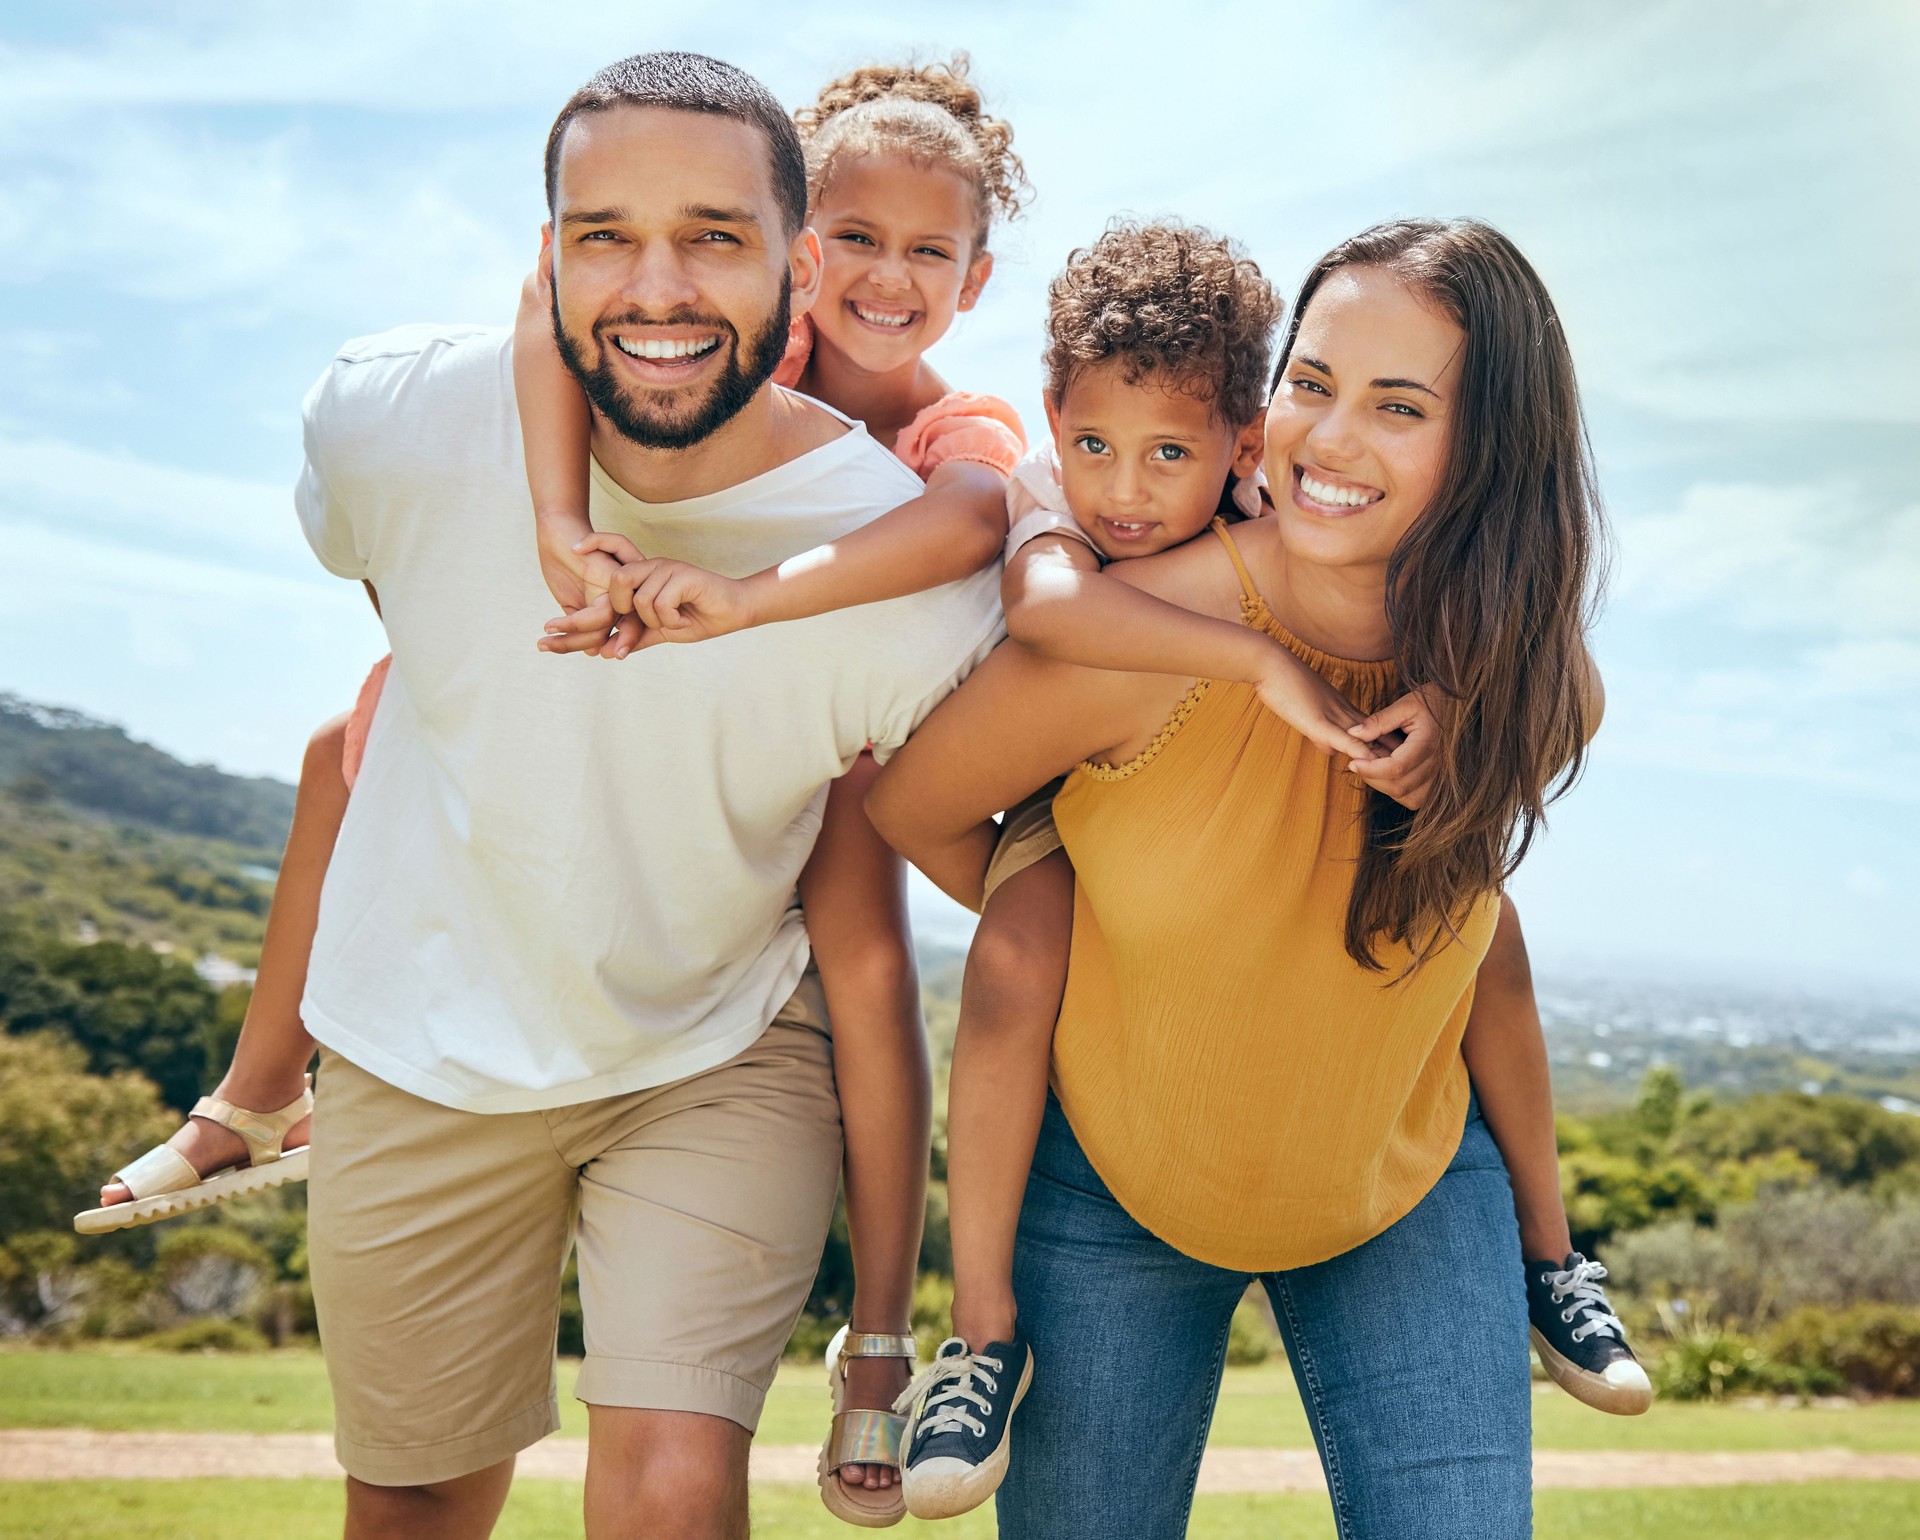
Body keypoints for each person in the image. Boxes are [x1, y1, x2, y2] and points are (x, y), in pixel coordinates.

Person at [126, 51, 1000, 1540]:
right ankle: (257, 1094)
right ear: (547, 260)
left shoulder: (904, 555)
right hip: (425, 1030)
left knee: (668, 1487)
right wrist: (540, 534)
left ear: (793, 266)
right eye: (606, 236)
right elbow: (401, 641)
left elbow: (1001, 563)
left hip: (714, 1040)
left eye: (713, 239)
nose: (657, 286)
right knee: (412, 1501)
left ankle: (874, 1334)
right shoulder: (386, 421)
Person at [868, 218, 1623, 1539]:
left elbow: (1568, 693)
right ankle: (974, 1338)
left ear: (1493, 443)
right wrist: (1054, 915)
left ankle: (1558, 1266)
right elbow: (914, 803)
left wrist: (1473, 688)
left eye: (1399, 406)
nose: (1331, 439)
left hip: (1407, 1183)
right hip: (1113, 1185)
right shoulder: (1144, 635)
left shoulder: (1518, 672)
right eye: (1313, 384)